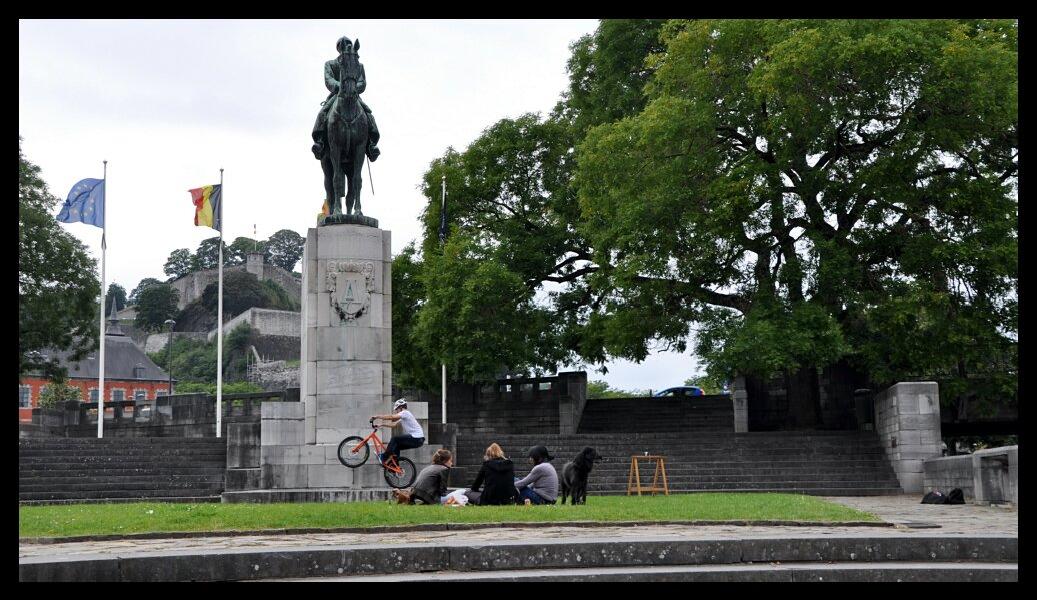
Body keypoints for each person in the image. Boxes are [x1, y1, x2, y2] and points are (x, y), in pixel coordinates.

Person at [311, 36, 381, 161]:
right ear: (339, 48)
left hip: (354, 94)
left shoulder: (359, 65)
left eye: (349, 44)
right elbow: (329, 80)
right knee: (323, 112)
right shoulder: (330, 64)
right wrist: (341, 86)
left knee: (368, 114)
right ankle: (320, 141)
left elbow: (362, 82)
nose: (348, 46)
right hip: (337, 94)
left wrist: (354, 87)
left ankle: (371, 144)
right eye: (344, 44)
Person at [372, 399, 424, 467]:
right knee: (396, 446)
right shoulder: (404, 416)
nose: (396, 411)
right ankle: (394, 466)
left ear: (401, 407)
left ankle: (384, 457)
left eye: (397, 409)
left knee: (395, 439)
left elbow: (391, 417)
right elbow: (393, 425)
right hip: (418, 440)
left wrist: (377, 417)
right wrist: (381, 425)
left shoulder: (405, 413)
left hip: (417, 438)